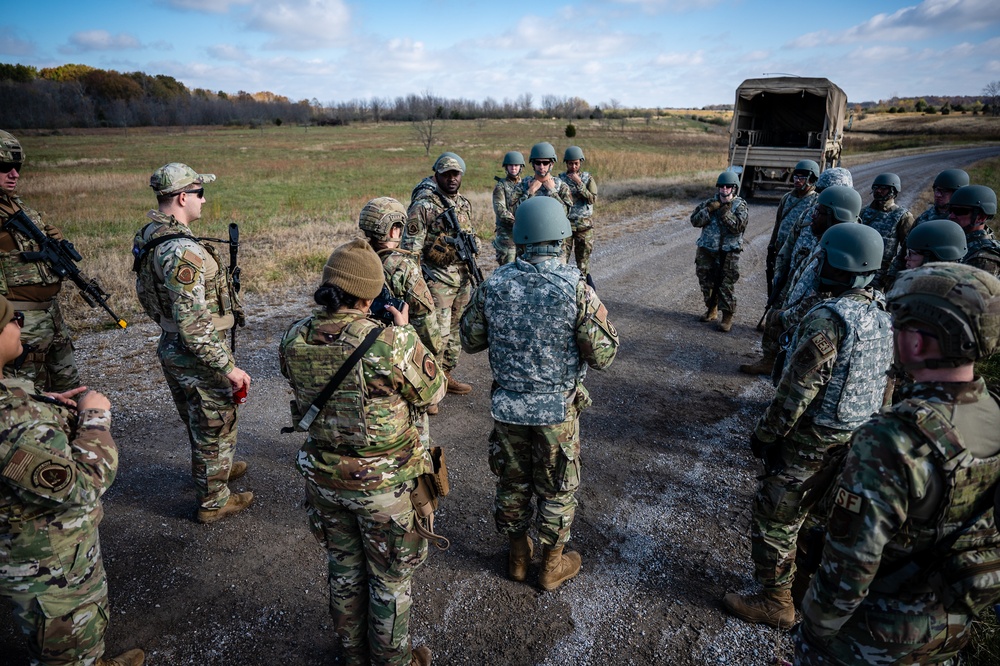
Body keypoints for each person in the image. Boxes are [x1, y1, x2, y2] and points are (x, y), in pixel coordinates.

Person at [796, 263, 1000, 665]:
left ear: (919, 344)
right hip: (951, 627)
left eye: (898, 325)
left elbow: (850, 564)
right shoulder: (995, 410)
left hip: (873, 639)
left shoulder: (891, 438)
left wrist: (816, 630)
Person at [279, 239, 445, 666]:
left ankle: (353, 653)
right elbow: (434, 391)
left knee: (345, 570)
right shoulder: (389, 342)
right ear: (369, 294)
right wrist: (405, 331)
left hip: (324, 479)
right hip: (383, 489)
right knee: (389, 579)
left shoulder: (294, 336)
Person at [723, 223, 894, 629]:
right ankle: (805, 588)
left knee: (777, 517)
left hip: (813, 439)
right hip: (857, 436)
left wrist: (766, 435)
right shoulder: (883, 312)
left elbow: (795, 393)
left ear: (837, 264)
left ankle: (775, 600)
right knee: (822, 516)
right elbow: (888, 381)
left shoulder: (830, 320)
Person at [460, 196, 619, 591]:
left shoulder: (495, 284)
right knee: (557, 487)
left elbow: (469, 339)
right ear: (563, 236)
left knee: (512, 483)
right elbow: (603, 355)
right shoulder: (575, 289)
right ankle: (550, 565)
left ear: (521, 237)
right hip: (555, 411)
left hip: (508, 407)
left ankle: (517, 555)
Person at [0, 294, 144, 666]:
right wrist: (96, 417)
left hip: (27, 552)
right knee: (69, 644)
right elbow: (83, 485)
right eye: (10, 317)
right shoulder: (13, 423)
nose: (19, 323)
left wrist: (41, 403)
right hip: (49, 564)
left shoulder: (14, 408)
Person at [132, 163, 252, 524]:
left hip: (172, 341)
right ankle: (214, 501)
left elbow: (145, 294)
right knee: (214, 420)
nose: (204, 200)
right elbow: (195, 324)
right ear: (183, 197)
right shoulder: (182, 251)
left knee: (198, 418)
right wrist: (228, 367)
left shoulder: (149, 234)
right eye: (200, 194)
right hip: (196, 349)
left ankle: (216, 470)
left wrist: (166, 325)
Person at [0, 129, 81, 392]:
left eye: (17, 167)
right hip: (17, 320)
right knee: (25, 397)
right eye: (5, 167)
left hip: (50, 315)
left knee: (68, 391)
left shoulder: (21, 208)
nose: (15, 175)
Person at [358, 196, 442, 422]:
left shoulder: (355, 257)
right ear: (395, 230)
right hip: (395, 350)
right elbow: (425, 318)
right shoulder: (403, 266)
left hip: (357, 348)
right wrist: (435, 352)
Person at [402, 152, 476, 396]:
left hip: (462, 278)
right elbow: (410, 251)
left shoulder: (464, 203)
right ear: (437, 174)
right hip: (438, 280)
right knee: (436, 337)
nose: (452, 179)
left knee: (456, 333)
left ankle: (445, 376)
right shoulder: (423, 205)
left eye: (456, 174)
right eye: (446, 174)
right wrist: (418, 283)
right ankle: (429, 389)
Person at [689, 170, 749, 332]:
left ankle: (727, 316)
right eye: (721, 186)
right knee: (705, 279)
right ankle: (711, 308)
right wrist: (708, 210)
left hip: (728, 252)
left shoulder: (739, 205)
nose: (724, 190)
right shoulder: (709, 203)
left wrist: (724, 212)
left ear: (734, 188)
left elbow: (738, 227)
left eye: (728, 187)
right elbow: (695, 221)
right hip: (706, 249)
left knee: (725, 283)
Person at [767, 160, 820, 299]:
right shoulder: (787, 198)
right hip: (781, 251)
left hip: (798, 253)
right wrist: (772, 245)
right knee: (776, 286)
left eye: (802, 178)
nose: (797, 181)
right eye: (796, 177)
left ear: (812, 179)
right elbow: (778, 223)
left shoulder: (816, 201)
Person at [859, 173, 914, 290]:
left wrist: (894, 275)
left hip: (882, 274)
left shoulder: (902, 216)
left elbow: (908, 249)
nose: (878, 191)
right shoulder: (864, 212)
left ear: (893, 191)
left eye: (883, 189)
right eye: (876, 188)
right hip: (858, 270)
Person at [558, 146, 599, 277]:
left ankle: (585, 291)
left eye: (576, 163)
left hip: (584, 227)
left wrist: (579, 183)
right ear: (566, 163)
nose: (574, 166)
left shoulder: (588, 178)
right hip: (566, 226)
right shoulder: (560, 180)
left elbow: (592, 199)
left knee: (583, 264)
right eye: (570, 163)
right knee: (561, 262)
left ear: (580, 162)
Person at [949, 184, 1000, 277]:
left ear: (981, 217)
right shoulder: (955, 241)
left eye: (959, 211)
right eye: (950, 210)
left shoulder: (984, 257)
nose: (951, 216)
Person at [511, 142, 574, 217]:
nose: (541, 167)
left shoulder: (561, 187)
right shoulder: (523, 185)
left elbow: (565, 214)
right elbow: (513, 213)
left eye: (545, 163)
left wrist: (553, 191)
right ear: (533, 164)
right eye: (538, 163)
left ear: (552, 164)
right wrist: (529, 192)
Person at [492, 151, 524, 266]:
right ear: (506, 167)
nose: (513, 168)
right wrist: (518, 222)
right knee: (507, 268)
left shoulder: (526, 184)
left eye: (516, 165)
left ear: (521, 167)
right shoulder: (501, 186)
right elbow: (500, 210)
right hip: (507, 235)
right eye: (510, 165)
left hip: (523, 235)